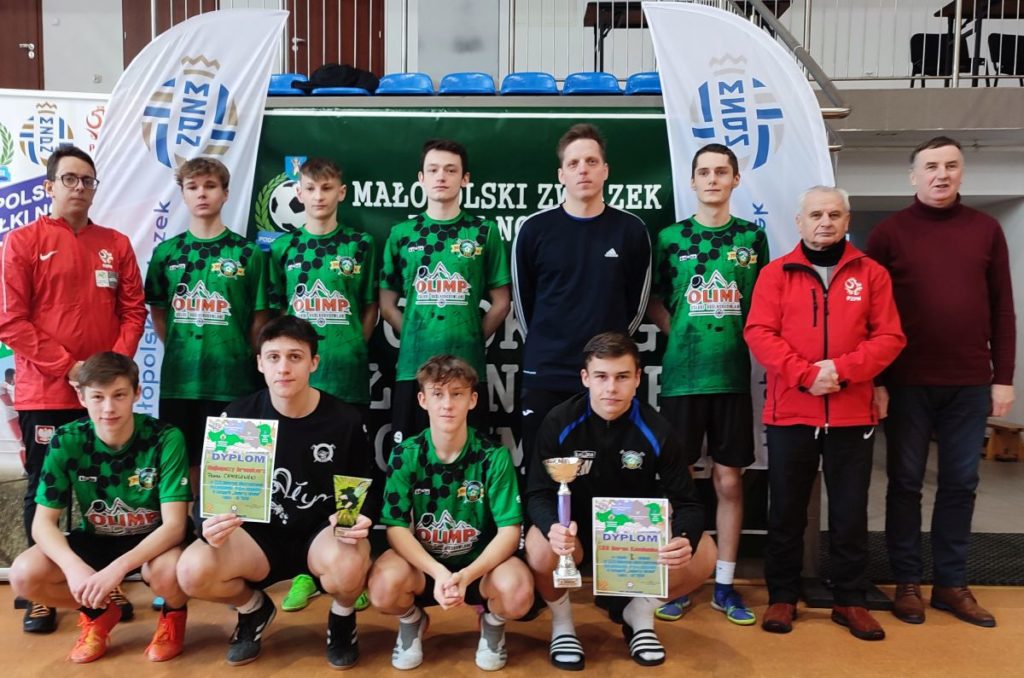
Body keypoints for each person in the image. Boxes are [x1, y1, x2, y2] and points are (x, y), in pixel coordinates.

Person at [867, 136, 1016, 629]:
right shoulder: (889, 233)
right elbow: (871, 314)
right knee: (905, 483)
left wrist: (1003, 378)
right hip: (906, 382)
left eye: (951, 165)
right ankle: (907, 582)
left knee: (961, 483)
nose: (941, 174)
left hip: (970, 382)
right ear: (913, 176)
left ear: (962, 172)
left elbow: (1003, 307)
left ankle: (951, 584)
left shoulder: (986, 230)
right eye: (931, 166)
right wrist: (877, 381)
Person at [744, 186, 905, 640]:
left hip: (852, 415)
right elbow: (759, 332)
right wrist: (806, 375)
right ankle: (782, 596)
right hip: (791, 412)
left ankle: (850, 600)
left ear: (847, 220)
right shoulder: (776, 274)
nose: (825, 222)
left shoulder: (871, 274)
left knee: (850, 513)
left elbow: (890, 337)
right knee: (786, 512)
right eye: (816, 214)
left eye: (834, 214)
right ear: (799, 222)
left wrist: (841, 371)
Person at [0, 145, 147, 633]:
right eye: (69, 179)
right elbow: (10, 320)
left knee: (107, 487)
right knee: (44, 489)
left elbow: (133, 311)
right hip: (45, 392)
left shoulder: (116, 244)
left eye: (87, 180)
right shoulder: (23, 241)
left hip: (105, 396)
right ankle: (43, 591)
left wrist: (108, 374)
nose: (79, 187)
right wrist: (70, 369)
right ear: (49, 186)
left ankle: (109, 579)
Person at [175, 316, 376, 669]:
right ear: (260, 363)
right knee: (192, 569)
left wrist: (354, 519)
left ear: (314, 362)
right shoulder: (239, 417)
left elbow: (360, 486)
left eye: (295, 357)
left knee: (350, 561)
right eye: (273, 357)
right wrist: (207, 522)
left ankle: (342, 617)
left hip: (319, 536)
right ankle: (253, 609)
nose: (283, 368)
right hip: (258, 537)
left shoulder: (343, 419)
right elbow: (212, 491)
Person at [525, 332, 715, 670]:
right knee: (540, 547)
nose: (611, 388)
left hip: (631, 543)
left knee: (704, 553)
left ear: (638, 378)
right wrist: (553, 526)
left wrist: (684, 538)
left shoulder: (658, 429)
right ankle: (563, 625)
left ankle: (639, 615)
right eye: (601, 376)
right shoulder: (559, 421)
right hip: (576, 537)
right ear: (585, 378)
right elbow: (538, 492)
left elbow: (688, 503)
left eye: (622, 376)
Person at [647, 143, 768, 625]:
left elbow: (763, 306)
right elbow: (655, 301)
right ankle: (679, 582)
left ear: (735, 180)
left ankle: (723, 584)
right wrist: (682, 335)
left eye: (721, 172)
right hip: (682, 379)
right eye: (704, 172)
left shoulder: (751, 238)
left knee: (729, 480)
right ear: (693, 181)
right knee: (679, 483)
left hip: (732, 378)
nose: (713, 179)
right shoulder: (671, 238)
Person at [9, 352, 191, 663]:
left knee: (170, 571)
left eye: (119, 395)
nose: (108, 408)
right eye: (97, 397)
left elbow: (175, 526)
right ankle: (98, 614)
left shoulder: (165, 437)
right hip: (97, 538)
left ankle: (173, 617)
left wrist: (116, 570)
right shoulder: (66, 440)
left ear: (137, 393)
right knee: (25, 575)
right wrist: (73, 567)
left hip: (154, 540)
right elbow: (42, 524)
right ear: (81, 397)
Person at [368, 355, 531, 671]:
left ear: (472, 400)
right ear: (422, 400)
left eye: (457, 394)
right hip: (425, 568)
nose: (447, 404)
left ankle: (493, 624)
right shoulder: (406, 454)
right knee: (383, 587)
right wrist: (438, 572)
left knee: (518, 592)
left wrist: (466, 575)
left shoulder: (493, 457)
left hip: (479, 568)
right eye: (437, 394)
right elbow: (396, 527)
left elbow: (510, 532)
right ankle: (412, 621)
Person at [266, 156, 378, 614]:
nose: (318, 196)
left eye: (327, 188)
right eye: (310, 189)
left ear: (341, 192)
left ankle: (350, 563)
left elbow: (369, 307)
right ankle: (302, 571)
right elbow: (276, 316)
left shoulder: (360, 244)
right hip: (296, 385)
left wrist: (351, 345)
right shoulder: (283, 248)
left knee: (347, 472)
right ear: (298, 194)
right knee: (298, 472)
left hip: (347, 375)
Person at [512, 124, 651, 475]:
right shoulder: (534, 229)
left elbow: (637, 306)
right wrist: (549, 343)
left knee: (608, 472)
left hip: (607, 375)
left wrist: (608, 349)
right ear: (561, 175)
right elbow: (523, 303)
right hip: (547, 371)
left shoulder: (631, 230)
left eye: (591, 161)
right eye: (573, 164)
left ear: (606, 170)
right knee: (541, 469)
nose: (583, 170)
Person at [145, 157, 271, 486]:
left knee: (234, 471)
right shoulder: (167, 253)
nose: (201, 193)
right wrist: (182, 348)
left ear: (225, 194)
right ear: (183, 195)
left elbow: (259, 319)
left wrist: (239, 353)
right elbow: (159, 314)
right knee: (181, 471)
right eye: (193, 187)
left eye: (210, 186)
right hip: (180, 381)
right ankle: (186, 520)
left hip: (234, 381)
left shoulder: (248, 253)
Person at [380, 139, 511, 445]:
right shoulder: (401, 234)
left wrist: (471, 336)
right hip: (413, 367)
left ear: (465, 179)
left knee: (470, 458)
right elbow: (386, 304)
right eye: (433, 169)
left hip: (467, 366)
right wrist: (414, 334)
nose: (441, 176)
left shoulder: (484, 232)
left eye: (451, 170)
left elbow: (501, 302)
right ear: (421, 178)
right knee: (409, 456)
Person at [1, 368, 23, 466]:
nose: (17, 378)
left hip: (18, 416)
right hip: (13, 418)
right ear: (10, 376)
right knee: (22, 442)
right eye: (15, 376)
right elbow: (8, 402)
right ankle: (26, 468)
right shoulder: (2, 387)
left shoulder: (11, 387)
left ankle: (26, 467)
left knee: (24, 442)